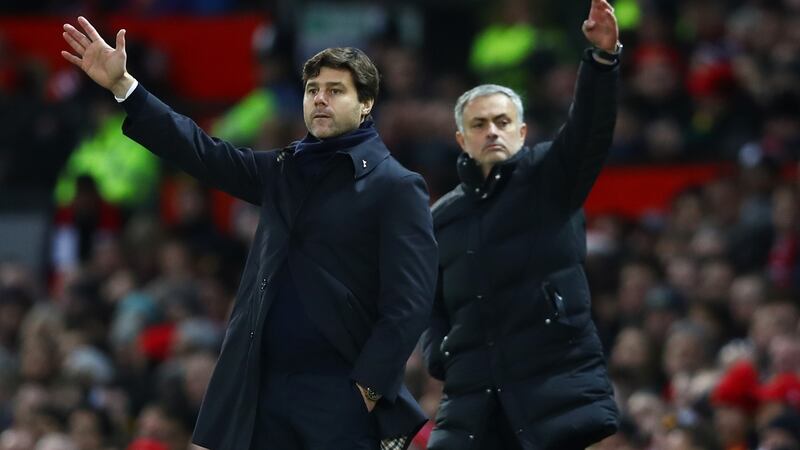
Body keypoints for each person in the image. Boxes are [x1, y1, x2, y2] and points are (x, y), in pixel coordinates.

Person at [60, 17, 438, 450]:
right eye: (312, 90)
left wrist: (368, 388)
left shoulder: (397, 186)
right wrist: (127, 87)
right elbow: (201, 151)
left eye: (335, 91)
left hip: (338, 395)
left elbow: (410, 301)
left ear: (366, 103)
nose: (319, 99)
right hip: (261, 387)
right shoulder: (284, 170)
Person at [421, 1, 621, 448]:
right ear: (461, 139)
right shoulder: (441, 218)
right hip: (472, 401)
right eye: (479, 124)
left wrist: (602, 61)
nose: (492, 131)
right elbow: (427, 305)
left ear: (522, 132)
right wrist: (441, 354)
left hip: (549, 390)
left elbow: (589, 128)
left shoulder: (551, 178)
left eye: (502, 121)